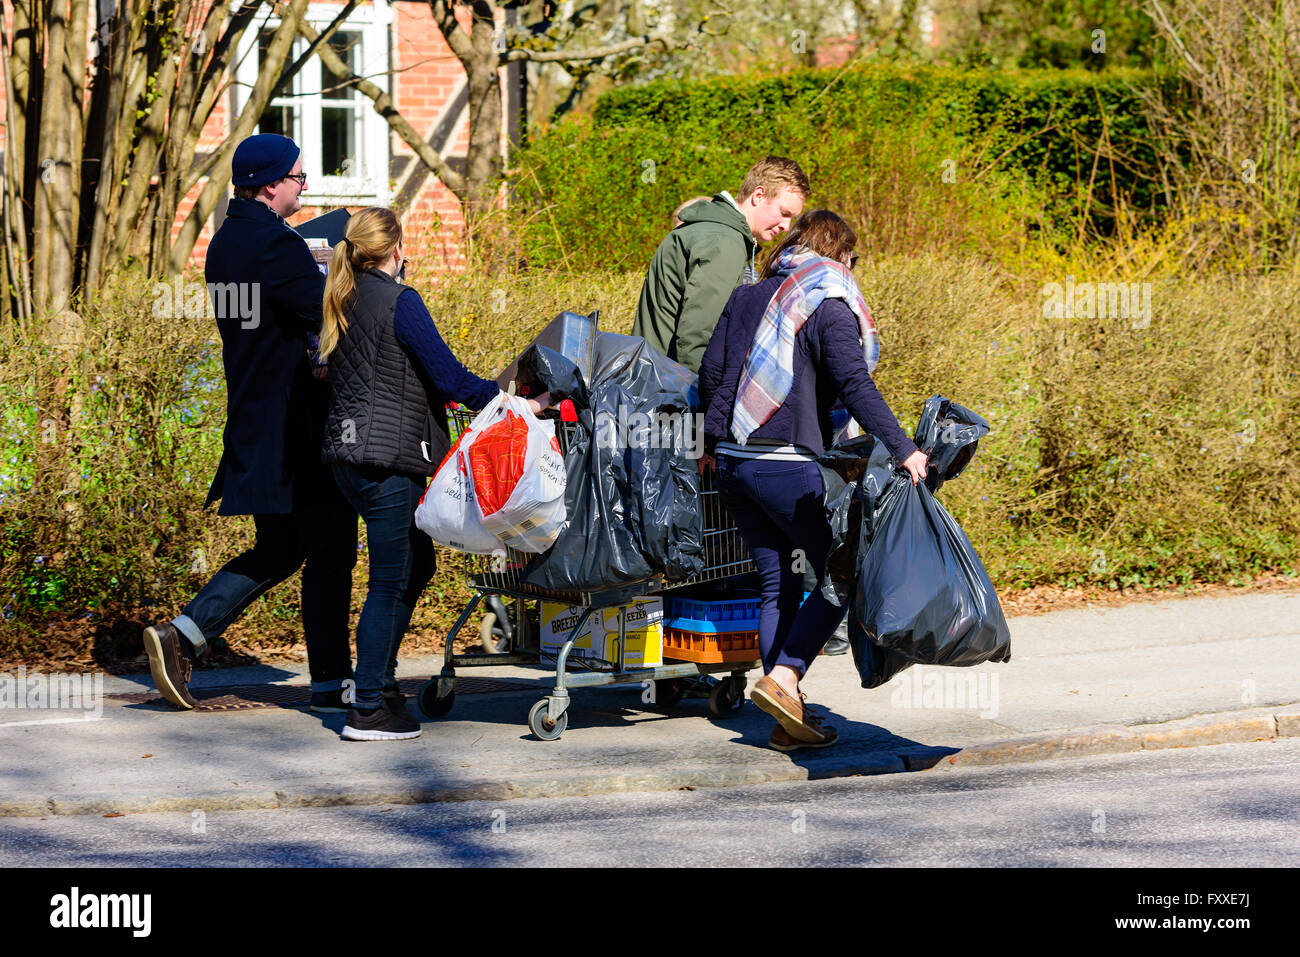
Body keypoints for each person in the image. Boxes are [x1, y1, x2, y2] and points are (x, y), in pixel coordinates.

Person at [698, 210, 929, 751]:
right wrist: (904, 449)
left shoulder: (748, 294)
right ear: (839, 254)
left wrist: (708, 443)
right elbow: (853, 381)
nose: (852, 272)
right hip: (785, 464)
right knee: (844, 570)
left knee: (778, 583)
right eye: (852, 261)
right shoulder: (827, 299)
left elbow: (711, 375)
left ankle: (787, 719)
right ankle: (783, 678)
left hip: (734, 463)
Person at [144, 134, 358, 713]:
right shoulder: (277, 248)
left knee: (284, 545)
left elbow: (274, 312)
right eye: (296, 176)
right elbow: (334, 315)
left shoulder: (228, 241)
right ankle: (332, 682)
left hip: (256, 421)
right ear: (269, 185)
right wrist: (362, 274)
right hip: (297, 429)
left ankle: (183, 634)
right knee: (333, 549)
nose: (304, 184)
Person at [317, 207, 546, 741]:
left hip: (347, 461)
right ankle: (368, 707)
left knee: (414, 564)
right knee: (388, 581)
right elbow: (450, 377)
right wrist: (518, 406)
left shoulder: (342, 296)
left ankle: (382, 684)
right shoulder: (400, 301)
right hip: (387, 463)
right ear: (396, 249)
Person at [632, 156, 810, 373]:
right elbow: (698, 338)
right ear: (759, 195)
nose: (786, 226)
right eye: (784, 213)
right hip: (670, 388)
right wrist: (705, 398)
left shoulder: (712, 231)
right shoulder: (724, 242)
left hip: (655, 377)